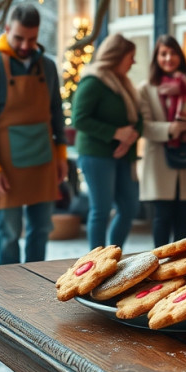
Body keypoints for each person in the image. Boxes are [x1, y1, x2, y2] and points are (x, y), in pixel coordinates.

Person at [0, 4, 67, 265]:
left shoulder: (47, 67)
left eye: (32, 39)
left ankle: (36, 289)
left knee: (41, 231)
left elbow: (56, 113)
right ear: (6, 30)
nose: (26, 45)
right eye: (19, 38)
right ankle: (9, 297)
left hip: (44, 161)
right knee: (9, 234)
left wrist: (61, 153)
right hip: (5, 167)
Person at [138, 35, 186, 246]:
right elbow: (144, 126)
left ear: (180, 56)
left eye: (172, 53)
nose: (168, 58)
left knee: (184, 219)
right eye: (163, 53)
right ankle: (159, 265)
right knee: (161, 217)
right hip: (159, 161)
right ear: (157, 57)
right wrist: (172, 129)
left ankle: (182, 267)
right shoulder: (146, 88)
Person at [71, 33, 142, 251]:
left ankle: (114, 256)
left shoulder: (124, 82)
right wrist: (115, 133)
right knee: (100, 209)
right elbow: (79, 119)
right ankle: (96, 263)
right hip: (97, 155)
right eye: (131, 56)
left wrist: (131, 136)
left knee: (129, 207)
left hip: (125, 154)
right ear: (117, 56)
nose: (134, 62)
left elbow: (139, 117)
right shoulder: (94, 81)